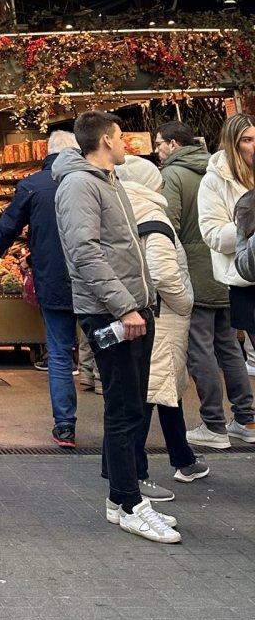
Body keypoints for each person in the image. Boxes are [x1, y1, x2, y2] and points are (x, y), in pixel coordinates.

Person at [53, 111, 176, 543]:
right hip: (113, 313)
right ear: (106, 140)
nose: (127, 144)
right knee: (123, 411)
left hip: (132, 309)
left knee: (130, 408)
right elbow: (84, 252)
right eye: (122, 137)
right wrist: (125, 307)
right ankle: (127, 503)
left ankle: (122, 498)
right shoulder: (81, 184)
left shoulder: (107, 181)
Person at [156, 118, 255, 453]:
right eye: (247, 140)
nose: (157, 151)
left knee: (202, 349)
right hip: (232, 273)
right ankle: (245, 417)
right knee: (228, 347)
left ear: (172, 145)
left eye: (159, 144)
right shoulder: (222, 174)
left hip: (198, 273)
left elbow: (167, 226)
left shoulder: (172, 176)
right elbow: (217, 230)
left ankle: (215, 423)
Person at [0, 130, 78, 446]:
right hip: (95, 281)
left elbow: (8, 225)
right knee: (106, 350)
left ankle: (65, 425)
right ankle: (121, 424)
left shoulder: (34, 186)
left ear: (46, 154)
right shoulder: (98, 181)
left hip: (53, 278)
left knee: (60, 353)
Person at [115, 158, 204, 491]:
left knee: (165, 390)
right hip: (164, 317)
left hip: (145, 315)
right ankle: (136, 476)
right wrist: (185, 302)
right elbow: (164, 273)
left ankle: (183, 458)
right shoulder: (154, 218)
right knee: (149, 395)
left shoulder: (126, 212)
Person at [195, 113, 255, 447]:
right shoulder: (215, 180)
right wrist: (248, 228)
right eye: (247, 140)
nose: (253, 147)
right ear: (233, 144)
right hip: (247, 280)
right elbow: (213, 235)